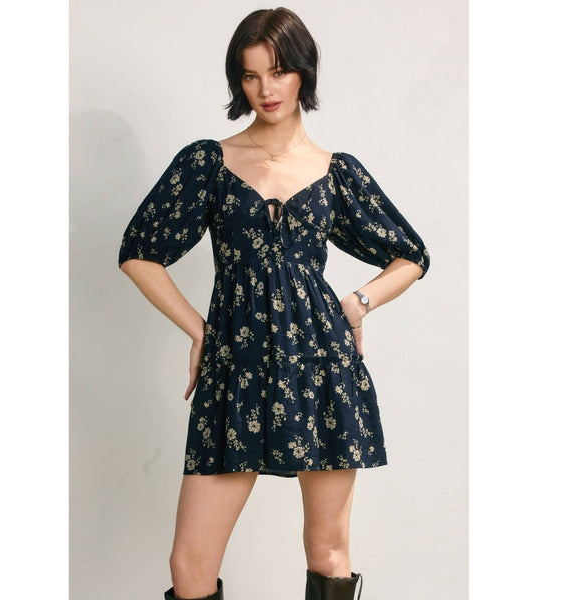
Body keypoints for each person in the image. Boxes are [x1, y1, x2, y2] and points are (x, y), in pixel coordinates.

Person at [117, 7, 430, 600]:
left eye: (279, 71)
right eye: (250, 74)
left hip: (322, 364)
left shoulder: (336, 172)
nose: (265, 89)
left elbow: (410, 255)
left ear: (303, 73)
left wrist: (358, 303)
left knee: (329, 551)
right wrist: (199, 330)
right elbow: (139, 253)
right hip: (235, 367)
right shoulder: (208, 163)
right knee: (189, 564)